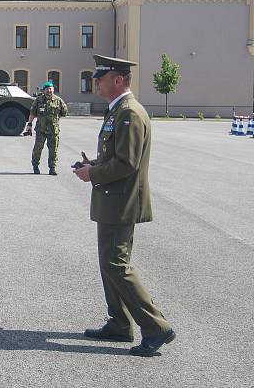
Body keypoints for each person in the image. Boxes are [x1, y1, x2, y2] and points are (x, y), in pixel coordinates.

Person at [74, 54, 175, 357]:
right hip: (113, 200)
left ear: (118, 80)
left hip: (121, 201)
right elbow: (117, 155)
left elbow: (127, 163)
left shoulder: (129, 113)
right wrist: (94, 163)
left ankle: (156, 326)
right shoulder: (118, 111)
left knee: (117, 264)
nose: (95, 83)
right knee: (109, 263)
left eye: (100, 78)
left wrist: (92, 173)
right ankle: (119, 323)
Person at [24, 81, 68, 175]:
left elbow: (64, 113)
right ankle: (35, 166)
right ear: (44, 90)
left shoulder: (58, 100)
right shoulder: (38, 100)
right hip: (41, 129)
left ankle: (52, 168)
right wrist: (29, 124)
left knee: (53, 149)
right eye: (47, 89)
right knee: (38, 149)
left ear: (53, 90)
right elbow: (32, 113)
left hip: (53, 130)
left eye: (51, 89)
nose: (49, 91)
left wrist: (54, 119)